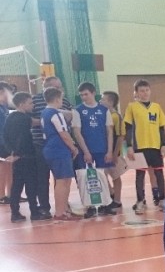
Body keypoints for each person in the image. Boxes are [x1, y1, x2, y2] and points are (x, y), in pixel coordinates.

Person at [123, 78, 165, 214]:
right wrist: (129, 146)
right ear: (136, 93)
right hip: (139, 147)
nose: (145, 93)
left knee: (159, 173)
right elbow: (128, 128)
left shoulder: (156, 107)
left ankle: (162, 200)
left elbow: (161, 128)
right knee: (140, 175)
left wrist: (164, 144)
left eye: (147, 90)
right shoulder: (132, 107)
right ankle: (140, 201)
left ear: (150, 91)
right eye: (141, 91)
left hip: (155, 146)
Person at [30, 76, 72, 218]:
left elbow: (70, 116)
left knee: (62, 178)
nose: (59, 90)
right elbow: (63, 132)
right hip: (48, 145)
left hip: (54, 146)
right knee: (50, 178)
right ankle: (52, 210)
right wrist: (73, 147)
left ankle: (63, 207)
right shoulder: (47, 108)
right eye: (56, 88)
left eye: (60, 87)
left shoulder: (56, 107)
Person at [72, 82, 115, 217]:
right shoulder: (77, 110)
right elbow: (77, 132)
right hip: (86, 151)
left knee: (103, 177)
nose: (84, 97)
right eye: (81, 95)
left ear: (93, 93)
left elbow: (109, 131)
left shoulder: (104, 110)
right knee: (87, 178)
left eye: (86, 94)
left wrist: (109, 151)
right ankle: (89, 206)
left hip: (101, 149)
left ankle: (105, 205)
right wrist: (86, 152)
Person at [4, 92, 48, 221]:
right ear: (22, 104)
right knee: (31, 185)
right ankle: (34, 212)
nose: (33, 105)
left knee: (17, 185)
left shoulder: (10, 117)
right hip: (26, 156)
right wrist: (19, 153)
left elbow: (5, 136)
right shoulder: (23, 119)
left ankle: (15, 213)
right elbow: (22, 138)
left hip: (16, 156)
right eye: (30, 103)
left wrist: (12, 152)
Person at [40, 86, 80, 221]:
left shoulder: (44, 112)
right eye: (61, 99)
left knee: (64, 180)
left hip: (51, 149)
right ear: (57, 99)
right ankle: (60, 212)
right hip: (58, 149)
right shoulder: (55, 114)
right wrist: (73, 147)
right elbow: (63, 133)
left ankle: (64, 210)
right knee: (62, 181)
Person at [101, 90, 125, 212]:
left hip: (114, 152)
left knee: (115, 176)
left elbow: (120, 136)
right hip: (104, 152)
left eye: (103, 99)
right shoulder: (104, 115)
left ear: (110, 102)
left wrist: (115, 154)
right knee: (103, 174)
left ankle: (117, 200)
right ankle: (111, 193)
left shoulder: (116, 116)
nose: (100, 101)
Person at [0, 82, 13, 205]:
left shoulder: (4, 107)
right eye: (8, 93)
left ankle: (11, 194)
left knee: (9, 167)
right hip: (1, 142)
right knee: (2, 168)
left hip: (6, 141)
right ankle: (1, 195)